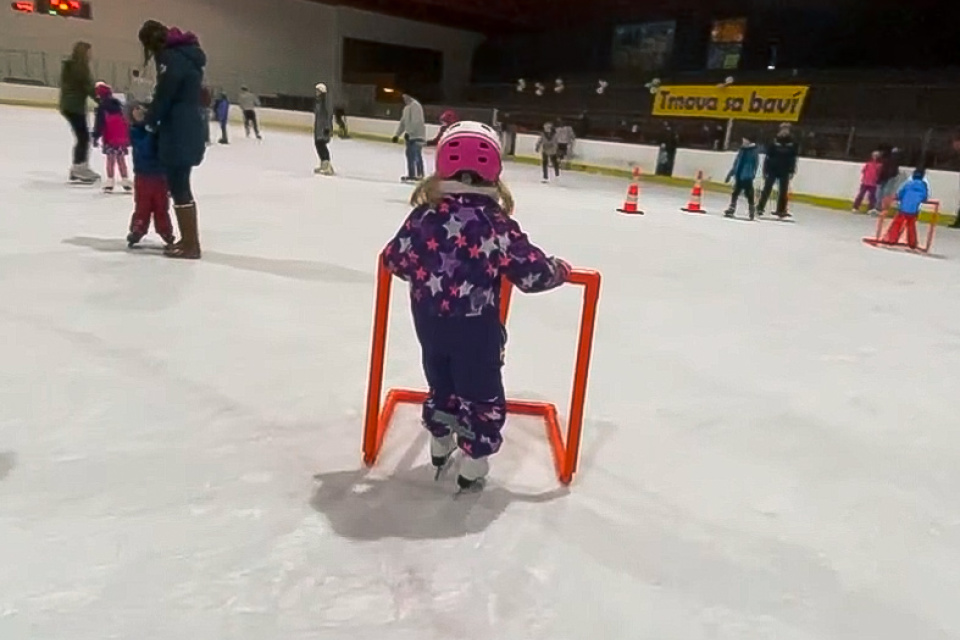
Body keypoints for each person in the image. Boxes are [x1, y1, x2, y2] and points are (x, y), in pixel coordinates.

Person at [380, 121, 572, 491]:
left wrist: (428, 275)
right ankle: (475, 459)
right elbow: (531, 274)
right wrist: (559, 270)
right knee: (480, 389)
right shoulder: (495, 223)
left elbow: (394, 260)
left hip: (430, 323)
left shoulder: (424, 216)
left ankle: (440, 438)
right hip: (476, 328)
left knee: (441, 379)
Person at [139, 19, 207, 260]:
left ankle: (191, 245)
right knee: (181, 184)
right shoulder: (188, 55)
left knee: (179, 185)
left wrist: (148, 118)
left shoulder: (169, 57)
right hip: (191, 125)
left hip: (178, 129)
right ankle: (189, 240)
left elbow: (166, 94)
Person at [126, 103, 174, 248]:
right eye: (135, 110)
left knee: (161, 206)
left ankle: (165, 231)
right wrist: (150, 132)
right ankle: (138, 229)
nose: (139, 113)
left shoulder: (158, 131)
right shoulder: (135, 131)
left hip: (160, 175)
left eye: (141, 110)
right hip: (143, 175)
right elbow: (145, 149)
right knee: (142, 205)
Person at [59, 41, 100, 184]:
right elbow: (88, 87)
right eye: (89, 52)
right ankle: (79, 167)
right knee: (83, 137)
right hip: (74, 107)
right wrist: (103, 100)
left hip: (68, 105)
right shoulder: (80, 68)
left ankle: (79, 166)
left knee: (82, 136)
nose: (91, 55)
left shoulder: (71, 66)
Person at [91, 83, 131, 193]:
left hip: (109, 138)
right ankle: (125, 180)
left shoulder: (102, 108)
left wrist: (95, 137)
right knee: (121, 159)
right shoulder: (119, 105)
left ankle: (110, 181)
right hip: (121, 138)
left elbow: (99, 124)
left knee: (110, 160)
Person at [757, 123, 799, 218]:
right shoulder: (774, 141)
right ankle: (760, 207)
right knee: (767, 188)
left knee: (783, 190)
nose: (785, 131)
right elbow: (768, 156)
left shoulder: (792, 143)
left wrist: (792, 170)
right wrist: (765, 169)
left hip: (785, 169)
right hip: (773, 168)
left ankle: (781, 210)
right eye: (783, 129)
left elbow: (793, 157)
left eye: (786, 129)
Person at [882, 168, 930, 250]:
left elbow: (900, 194)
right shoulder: (923, 186)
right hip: (914, 210)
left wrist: (899, 198)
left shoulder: (908, 184)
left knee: (897, 224)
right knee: (911, 226)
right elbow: (924, 197)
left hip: (903, 208)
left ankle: (891, 239)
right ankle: (912, 243)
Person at [724, 134, 760, 219]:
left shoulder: (753, 151)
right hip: (739, 174)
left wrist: (752, 174)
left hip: (747, 176)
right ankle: (732, 208)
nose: (743, 141)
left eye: (745, 140)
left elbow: (755, 164)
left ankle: (751, 210)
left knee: (749, 194)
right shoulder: (742, 150)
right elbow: (737, 162)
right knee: (735, 193)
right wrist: (731, 173)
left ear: (749, 141)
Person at [392, 93, 426, 182]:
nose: (404, 98)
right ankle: (411, 174)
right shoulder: (406, 108)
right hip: (409, 137)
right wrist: (397, 135)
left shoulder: (416, 106)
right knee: (409, 156)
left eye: (405, 96)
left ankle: (420, 174)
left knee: (416, 155)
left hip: (417, 136)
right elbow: (403, 123)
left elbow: (416, 121)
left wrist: (410, 132)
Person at [313, 83, 335, 175]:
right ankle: (324, 164)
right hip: (319, 128)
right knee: (318, 145)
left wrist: (327, 127)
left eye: (318, 91)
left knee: (321, 145)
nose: (316, 92)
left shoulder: (325, 102)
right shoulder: (319, 102)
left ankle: (327, 165)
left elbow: (328, 115)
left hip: (323, 128)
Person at [876, 144, 902, 215]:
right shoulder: (890, 159)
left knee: (884, 192)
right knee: (884, 192)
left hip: (887, 176)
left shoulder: (888, 159)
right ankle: (881, 208)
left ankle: (881, 208)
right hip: (887, 176)